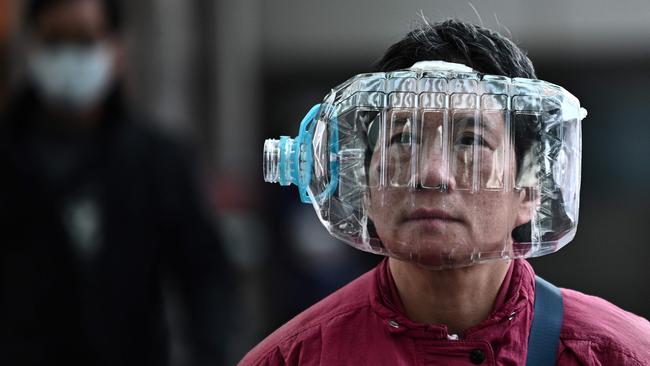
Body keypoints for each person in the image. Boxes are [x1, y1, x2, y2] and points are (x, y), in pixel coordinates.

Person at [241, 19, 650, 365]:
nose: (432, 174)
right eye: (403, 139)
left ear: (530, 190)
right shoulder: (295, 357)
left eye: (470, 141)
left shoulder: (615, 354)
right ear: (363, 183)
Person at [0, 0, 230, 364]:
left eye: (83, 41)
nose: (68, 58)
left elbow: (206, 281)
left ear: (116, 48)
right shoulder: (9, 157)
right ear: (31, 48)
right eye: (55, 41)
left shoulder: (158, 160)